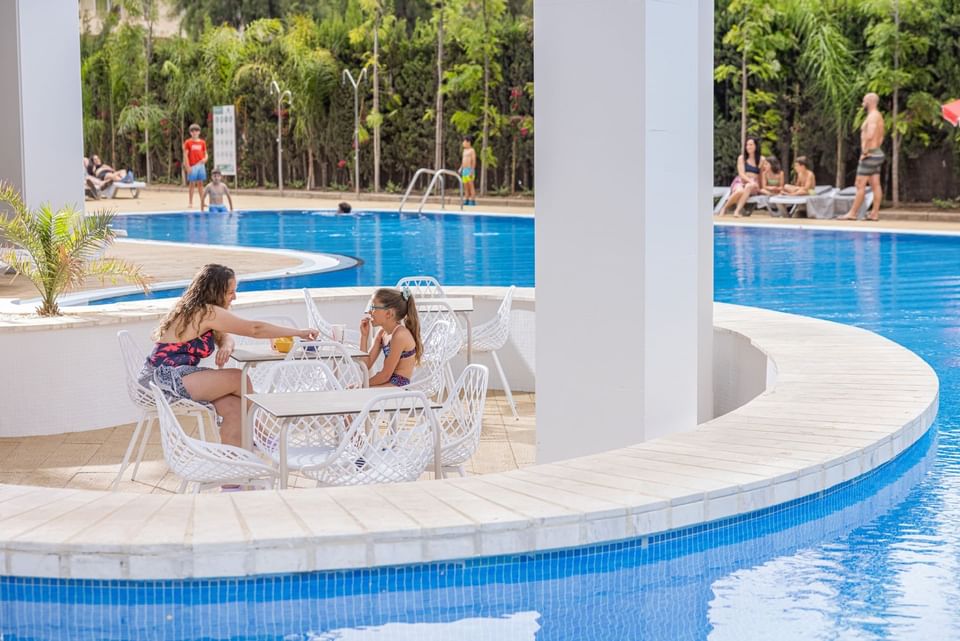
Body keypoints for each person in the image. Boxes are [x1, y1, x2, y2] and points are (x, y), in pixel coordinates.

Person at [139, 264, 318, 449]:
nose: (234, 297)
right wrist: (299, 332)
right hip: (159, 381)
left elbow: (225, 335)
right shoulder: (206, 311)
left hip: (174, 377)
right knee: (238, 378)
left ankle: (233, 470)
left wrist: (225, 344)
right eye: (230, 292)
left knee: (234, 408)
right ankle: (263, 435)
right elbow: (254, 329)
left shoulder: (200, 311)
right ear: (215, 291)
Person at [359, 287, 423, 387]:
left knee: (358, 394)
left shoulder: (399, 335)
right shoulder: (382, 333)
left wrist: (361, 385)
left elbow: (385, 375)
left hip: (399, 387)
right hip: (388, 383)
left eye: (373, 308)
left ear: (389, 313)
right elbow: (365, 365)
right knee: (355, 393)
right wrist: (364, 336)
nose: (369, 312)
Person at [839, 93, 885, 221]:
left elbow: (870, 135)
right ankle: (874, 213)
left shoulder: (872, 117)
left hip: (869, 154)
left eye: (864, 101)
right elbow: (881, 137)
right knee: (876, 184)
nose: (862, 103)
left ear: (870, 101)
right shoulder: (879, 116)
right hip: (877, 153)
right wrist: (874, 150)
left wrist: (865, 152)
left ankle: (852, 213)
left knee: (859, 184)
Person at [722, 137, 762, 217]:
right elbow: (741, 174)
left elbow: (760, 175)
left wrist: (758, 186)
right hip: (741, 181)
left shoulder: (761, 160)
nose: (748, 147)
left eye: (751, 144)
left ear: (756, 146)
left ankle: (737, 211)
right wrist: (750, 181)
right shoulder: (742, 158)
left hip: (753, 185)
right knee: (740, 191)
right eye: (747, 145)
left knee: (748, 186)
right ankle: (724, 208)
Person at [183, 124, 208, 209]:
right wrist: (187, 167)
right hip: (192, 166)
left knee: (201, 184)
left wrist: (205, 159)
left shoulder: (202, 142)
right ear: (190, 132)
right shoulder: (188, 142)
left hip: (201, 165)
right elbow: (185, 155)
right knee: (192, 184)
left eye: (196, 131)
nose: (195, 132)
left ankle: (202, 201)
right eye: (193, 131)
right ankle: (190, 202)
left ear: (199, 132)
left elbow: (206, 153)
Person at [460, 135, 477, 206]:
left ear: (469, 142)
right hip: (464, 170)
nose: (463, 143)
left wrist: (472, 171)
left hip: (469, 170)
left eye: (464, 141)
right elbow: (463, 161)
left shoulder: (472, 150)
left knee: (471, 186)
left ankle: (472, 200)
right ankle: (466, 199)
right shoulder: (464, 151)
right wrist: (461, 168)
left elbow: (473, 161)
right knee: (465, 186)